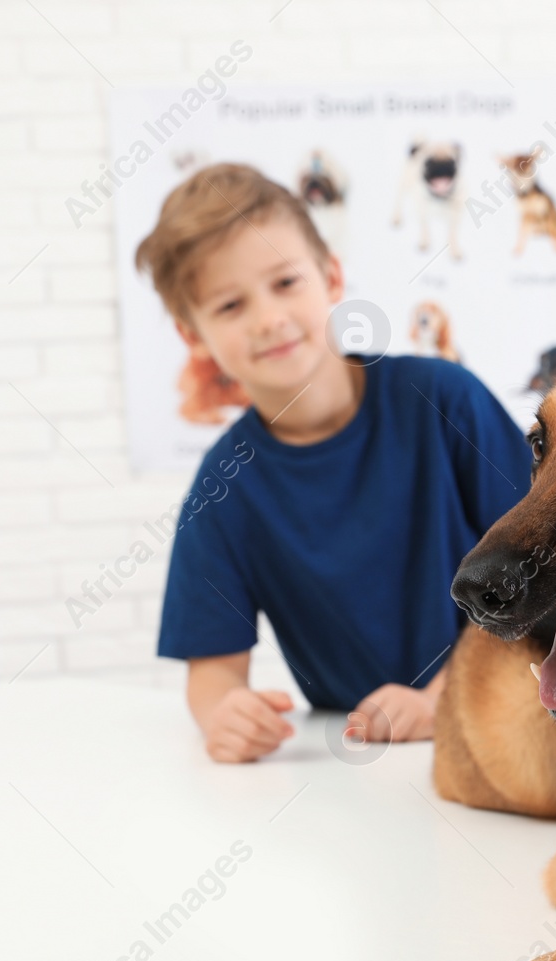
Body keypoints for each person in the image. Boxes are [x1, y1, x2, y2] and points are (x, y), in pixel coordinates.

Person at [137, 163, 530, 761]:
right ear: (193, 337)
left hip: (508, 721)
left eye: (285, 283)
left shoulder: (446, 400)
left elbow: (547, 572)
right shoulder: (224, 486)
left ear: (331, 276)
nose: (268, 318)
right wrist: (226, 713)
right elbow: (212, 673)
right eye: (230, 305)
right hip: (354, 760)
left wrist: (442, 698)